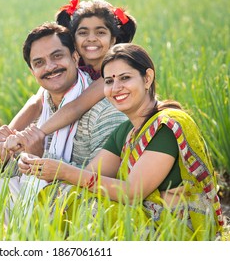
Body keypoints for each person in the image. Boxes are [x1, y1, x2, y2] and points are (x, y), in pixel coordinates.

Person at [18, 43, 224, 240]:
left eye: (125, 78)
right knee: (62, 193)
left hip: (175, 231)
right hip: (142, 220)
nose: (116, 88)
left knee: (90, 207)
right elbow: (90, 174)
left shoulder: (165, 126)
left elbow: (133, 192)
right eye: (109, 81)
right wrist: (37, 163)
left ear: (147, 78)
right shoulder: (126, 131)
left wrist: (64, 171)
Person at [0, 22, 127, 224]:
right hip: (51, 199)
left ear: (75, 57)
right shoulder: (40, 108)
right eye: (39, 62)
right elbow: (20, 173)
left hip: (87, 208)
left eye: (57, 56)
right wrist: (2, 159)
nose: (50, 67)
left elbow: (101, 181)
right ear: (32, 71)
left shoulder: (105, 111)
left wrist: (40, 157)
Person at [0, 0, 137, 159]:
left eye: (100, 32)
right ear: (73, 39)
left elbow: (76, 107)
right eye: (83, 33)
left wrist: (37, 134)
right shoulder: (74, 65)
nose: (91, 39)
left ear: (113, 39)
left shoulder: (112, 72)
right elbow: (37, 101)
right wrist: (8, 136)